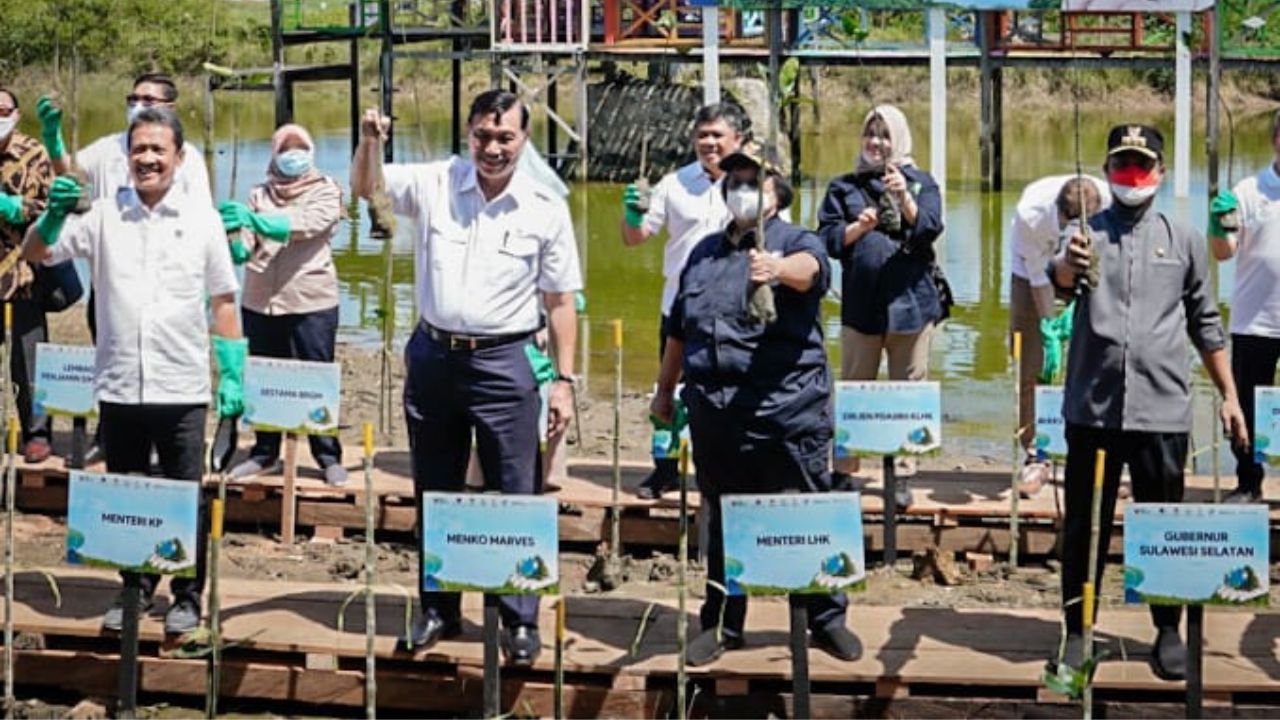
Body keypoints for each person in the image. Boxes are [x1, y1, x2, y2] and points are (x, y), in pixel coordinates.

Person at [352, 90, 581, 667]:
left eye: (505, 137)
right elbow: (366, 188)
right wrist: (370, 140)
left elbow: (559, 302)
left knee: (515, 490)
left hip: (507, 362)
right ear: (468, 134)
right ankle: (440, 605)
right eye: (482, 135)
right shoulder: (436, 181)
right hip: (435, 355)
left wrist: (564, 381)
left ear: (524, 141)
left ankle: (518, 615)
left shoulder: (544, 205)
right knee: (436, 485)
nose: (493, 147)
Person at [22, 107, 245, 635]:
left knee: (184, 491)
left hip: (182, 383)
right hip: (119, 384)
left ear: (178, 157)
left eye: (158, 150)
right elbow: (37, 251)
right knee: (127, 493)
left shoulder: (202, 219)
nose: (148, 158)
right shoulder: (102, 214)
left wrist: (233, 372)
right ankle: (134, 589)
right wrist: (51, 216)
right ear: (127, 156)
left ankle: (187, 594)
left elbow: (224, 301)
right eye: (139, 149)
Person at [1047, 124, 1247, 682]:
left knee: (1162, 524)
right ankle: (1079, 631)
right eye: (1121, 164)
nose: (1131, 175)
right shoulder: (1082, 233)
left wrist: (1229, 396)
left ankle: (1166, 629)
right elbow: (1057, 282)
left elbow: (1207, 323)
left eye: (1141, 164)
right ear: (1108, 171)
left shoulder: (1181, 238)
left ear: (1159, 171)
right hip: (1093, 408)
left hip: (1162, 409)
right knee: (1086, 524)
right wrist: (1068, 265)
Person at [652, 142, 861, 666]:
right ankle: (724, 621)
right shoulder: (703, 252)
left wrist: (776, 268)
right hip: (716, 415)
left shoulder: (796, 239)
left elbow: (811, 269)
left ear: (776, 195)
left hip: (789, 411)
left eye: (754, 182)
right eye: (734, 182)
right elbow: (679, 328)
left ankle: (825, 616)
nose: (741, 190)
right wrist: (662, 390)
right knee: (721, 517)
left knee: (808, 510)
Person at [36, 72, 212, 465]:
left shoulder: (191, 159)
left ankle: (167, 445)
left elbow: (202, 219)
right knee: (113, 360)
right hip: (113, 278)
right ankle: (109, 436)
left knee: (165, 367)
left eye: (149, 98)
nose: (139, 103)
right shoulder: (108, 148)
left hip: (168, 282)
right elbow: (72, 178)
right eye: (134, 96)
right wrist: (54, 140)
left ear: (170, 107)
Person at [817, 104, 944, 508]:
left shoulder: (922, 182)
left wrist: (903, 196)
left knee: (909, 388)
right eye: (871, 134)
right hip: (861, 304)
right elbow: (829, 241)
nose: (877, 142)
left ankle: (903, 474)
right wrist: (861, 227)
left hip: (913, 303)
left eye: (885, 135)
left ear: (899, 139)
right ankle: (844, 469)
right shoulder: (844, 186)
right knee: (854, 387)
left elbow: (929, 228)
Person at [621, 103, 744, 499]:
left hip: (735, 313)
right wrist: (633, 214)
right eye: (702, 135)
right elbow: (634, 238)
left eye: (717, 136)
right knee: (668, 390)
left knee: (732, 393)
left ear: (738, 140)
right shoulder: (673, 183)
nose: (709, 143)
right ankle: (665, 470)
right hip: (679, 309)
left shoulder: (754, 183)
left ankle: (726, 470)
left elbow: (777, 238)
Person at [219, 123, 347, 487]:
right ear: (274, 153)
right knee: (264, 377)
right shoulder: (259, 192)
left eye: (299, 147)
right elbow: (245, 234)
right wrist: (237, 241)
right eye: (285, 148)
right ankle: (264, 453)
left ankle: (327, 455)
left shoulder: (327, 191)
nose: (293, 155)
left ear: (311, 151)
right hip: (260, 301)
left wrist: (255, 222)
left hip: (311, 301)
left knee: (316, 377)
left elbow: (303, 225)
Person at [1008, 174, 1107, 497]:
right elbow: (1038, 275)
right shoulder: (1031, 215)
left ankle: (1096, 452)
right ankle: (1037, 453)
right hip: (1031, 270)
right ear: (1060, 211)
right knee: (1034, 366)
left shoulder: (1108, 199)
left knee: (1100, 360)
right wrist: (1049, 326)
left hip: (1088, 268)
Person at [1207, 109, 1280, 504]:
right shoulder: (1249, 190)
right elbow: (1223, 253)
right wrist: (1218, 224)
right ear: (1275, 140)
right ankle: (1249, 481)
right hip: (1255, 321)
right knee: (1246, 407)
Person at [0, 87, 56, 463]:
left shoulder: (34, 153)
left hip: (21, 273)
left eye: (3, 109)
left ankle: (36, 433)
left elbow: (57, 206)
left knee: (29, 359)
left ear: (16, 114)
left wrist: (19, 209)